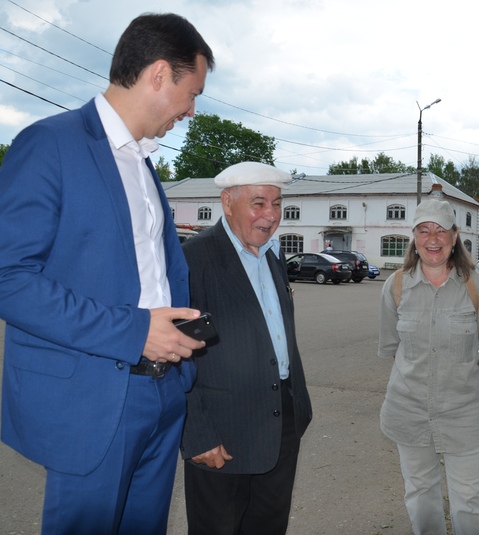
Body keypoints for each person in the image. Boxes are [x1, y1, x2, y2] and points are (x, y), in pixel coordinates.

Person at [0, 13, 214, 534]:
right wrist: (137, 332)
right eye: (193, 92)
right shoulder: (49, 145)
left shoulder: (144, 164)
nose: (191, 110)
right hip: (94, 403)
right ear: (159, 74)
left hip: (163, 396)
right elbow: (8, 278)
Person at [181, 162, 313, 535]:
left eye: (277, 203)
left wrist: (298, 409)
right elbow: (178, 354)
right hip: (222, 434)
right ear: (227, 202)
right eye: (258, 203)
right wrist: (196, 433)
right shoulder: (194, 259)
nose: (271, 216)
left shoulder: (272, 255)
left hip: (282, 424)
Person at [378, 192, 479, 535]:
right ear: (414, 238)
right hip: (409, 413)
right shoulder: (396, 286)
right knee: (419, 494)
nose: (432, 239)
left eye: (441, 230)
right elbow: (392, 347)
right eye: (423, 231)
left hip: (464, 416)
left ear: (454, 236)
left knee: (471, 500)